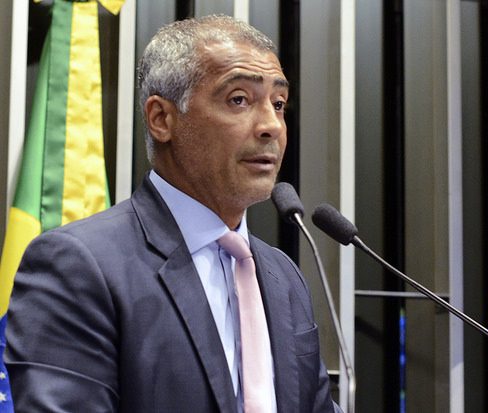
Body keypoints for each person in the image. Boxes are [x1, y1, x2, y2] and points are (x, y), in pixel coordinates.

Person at [5, 15, 342, 412]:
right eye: (239, 99)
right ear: (161, 119)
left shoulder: (283, 276)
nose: (272, 125)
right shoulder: (79, 265)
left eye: (279, 104)